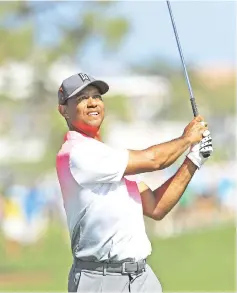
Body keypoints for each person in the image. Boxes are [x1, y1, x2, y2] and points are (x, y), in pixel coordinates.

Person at [56, 73, 213, 293]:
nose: (92, 102)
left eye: (97, 96)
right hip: (100, 279)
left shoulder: (109, 158)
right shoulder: (77, 153)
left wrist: (194, 159)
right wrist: (187, 139)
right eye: (81, 98)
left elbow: (156, 206)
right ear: (63, 109)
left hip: (141, 277)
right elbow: (154, 160)